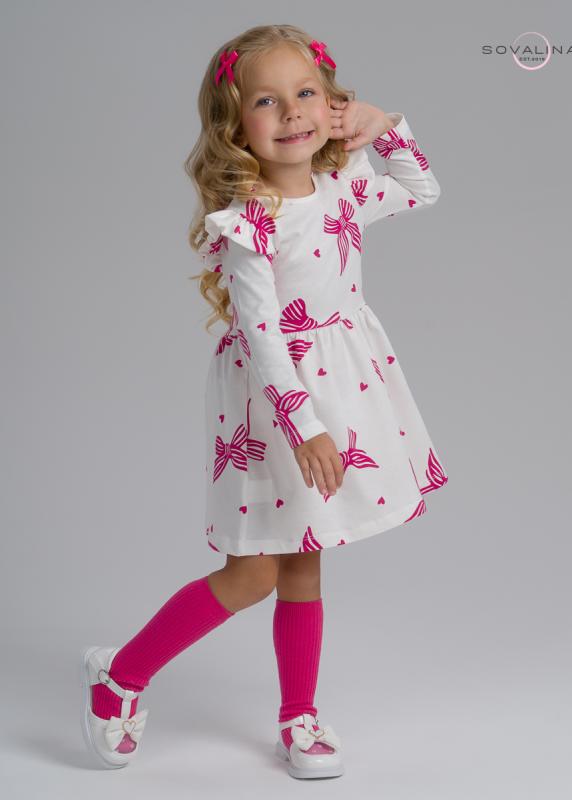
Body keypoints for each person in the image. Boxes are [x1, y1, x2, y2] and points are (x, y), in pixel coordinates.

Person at [80, 23, 448, 780]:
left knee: (305, 564)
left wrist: (381, 124)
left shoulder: (343, 187)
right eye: (266, 101)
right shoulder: (249, 221)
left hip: (340, 386)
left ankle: (298, 716)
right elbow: (262, 335)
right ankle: (120, 676)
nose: (291, 113)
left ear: (329, 101)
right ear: (234, 124)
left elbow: (423, 188)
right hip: (274, 404)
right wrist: (306, 427)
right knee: (252, 573)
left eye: (305, 93)